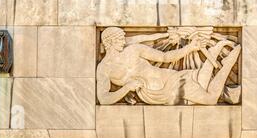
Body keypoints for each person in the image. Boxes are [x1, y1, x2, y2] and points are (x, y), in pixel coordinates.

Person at [97, 27, 241, 105]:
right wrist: (126, 88)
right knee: (210, 98)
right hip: (156, 94)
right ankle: (221, 59)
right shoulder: (104, 69)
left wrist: (189, 48)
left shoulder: (133, 50)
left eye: (123, 38)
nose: (123, 42)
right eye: (120, 40)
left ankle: (219, 56)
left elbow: (164, 57)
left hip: (171, 76)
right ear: (109, 42)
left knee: (208, 94)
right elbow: (103, 99)